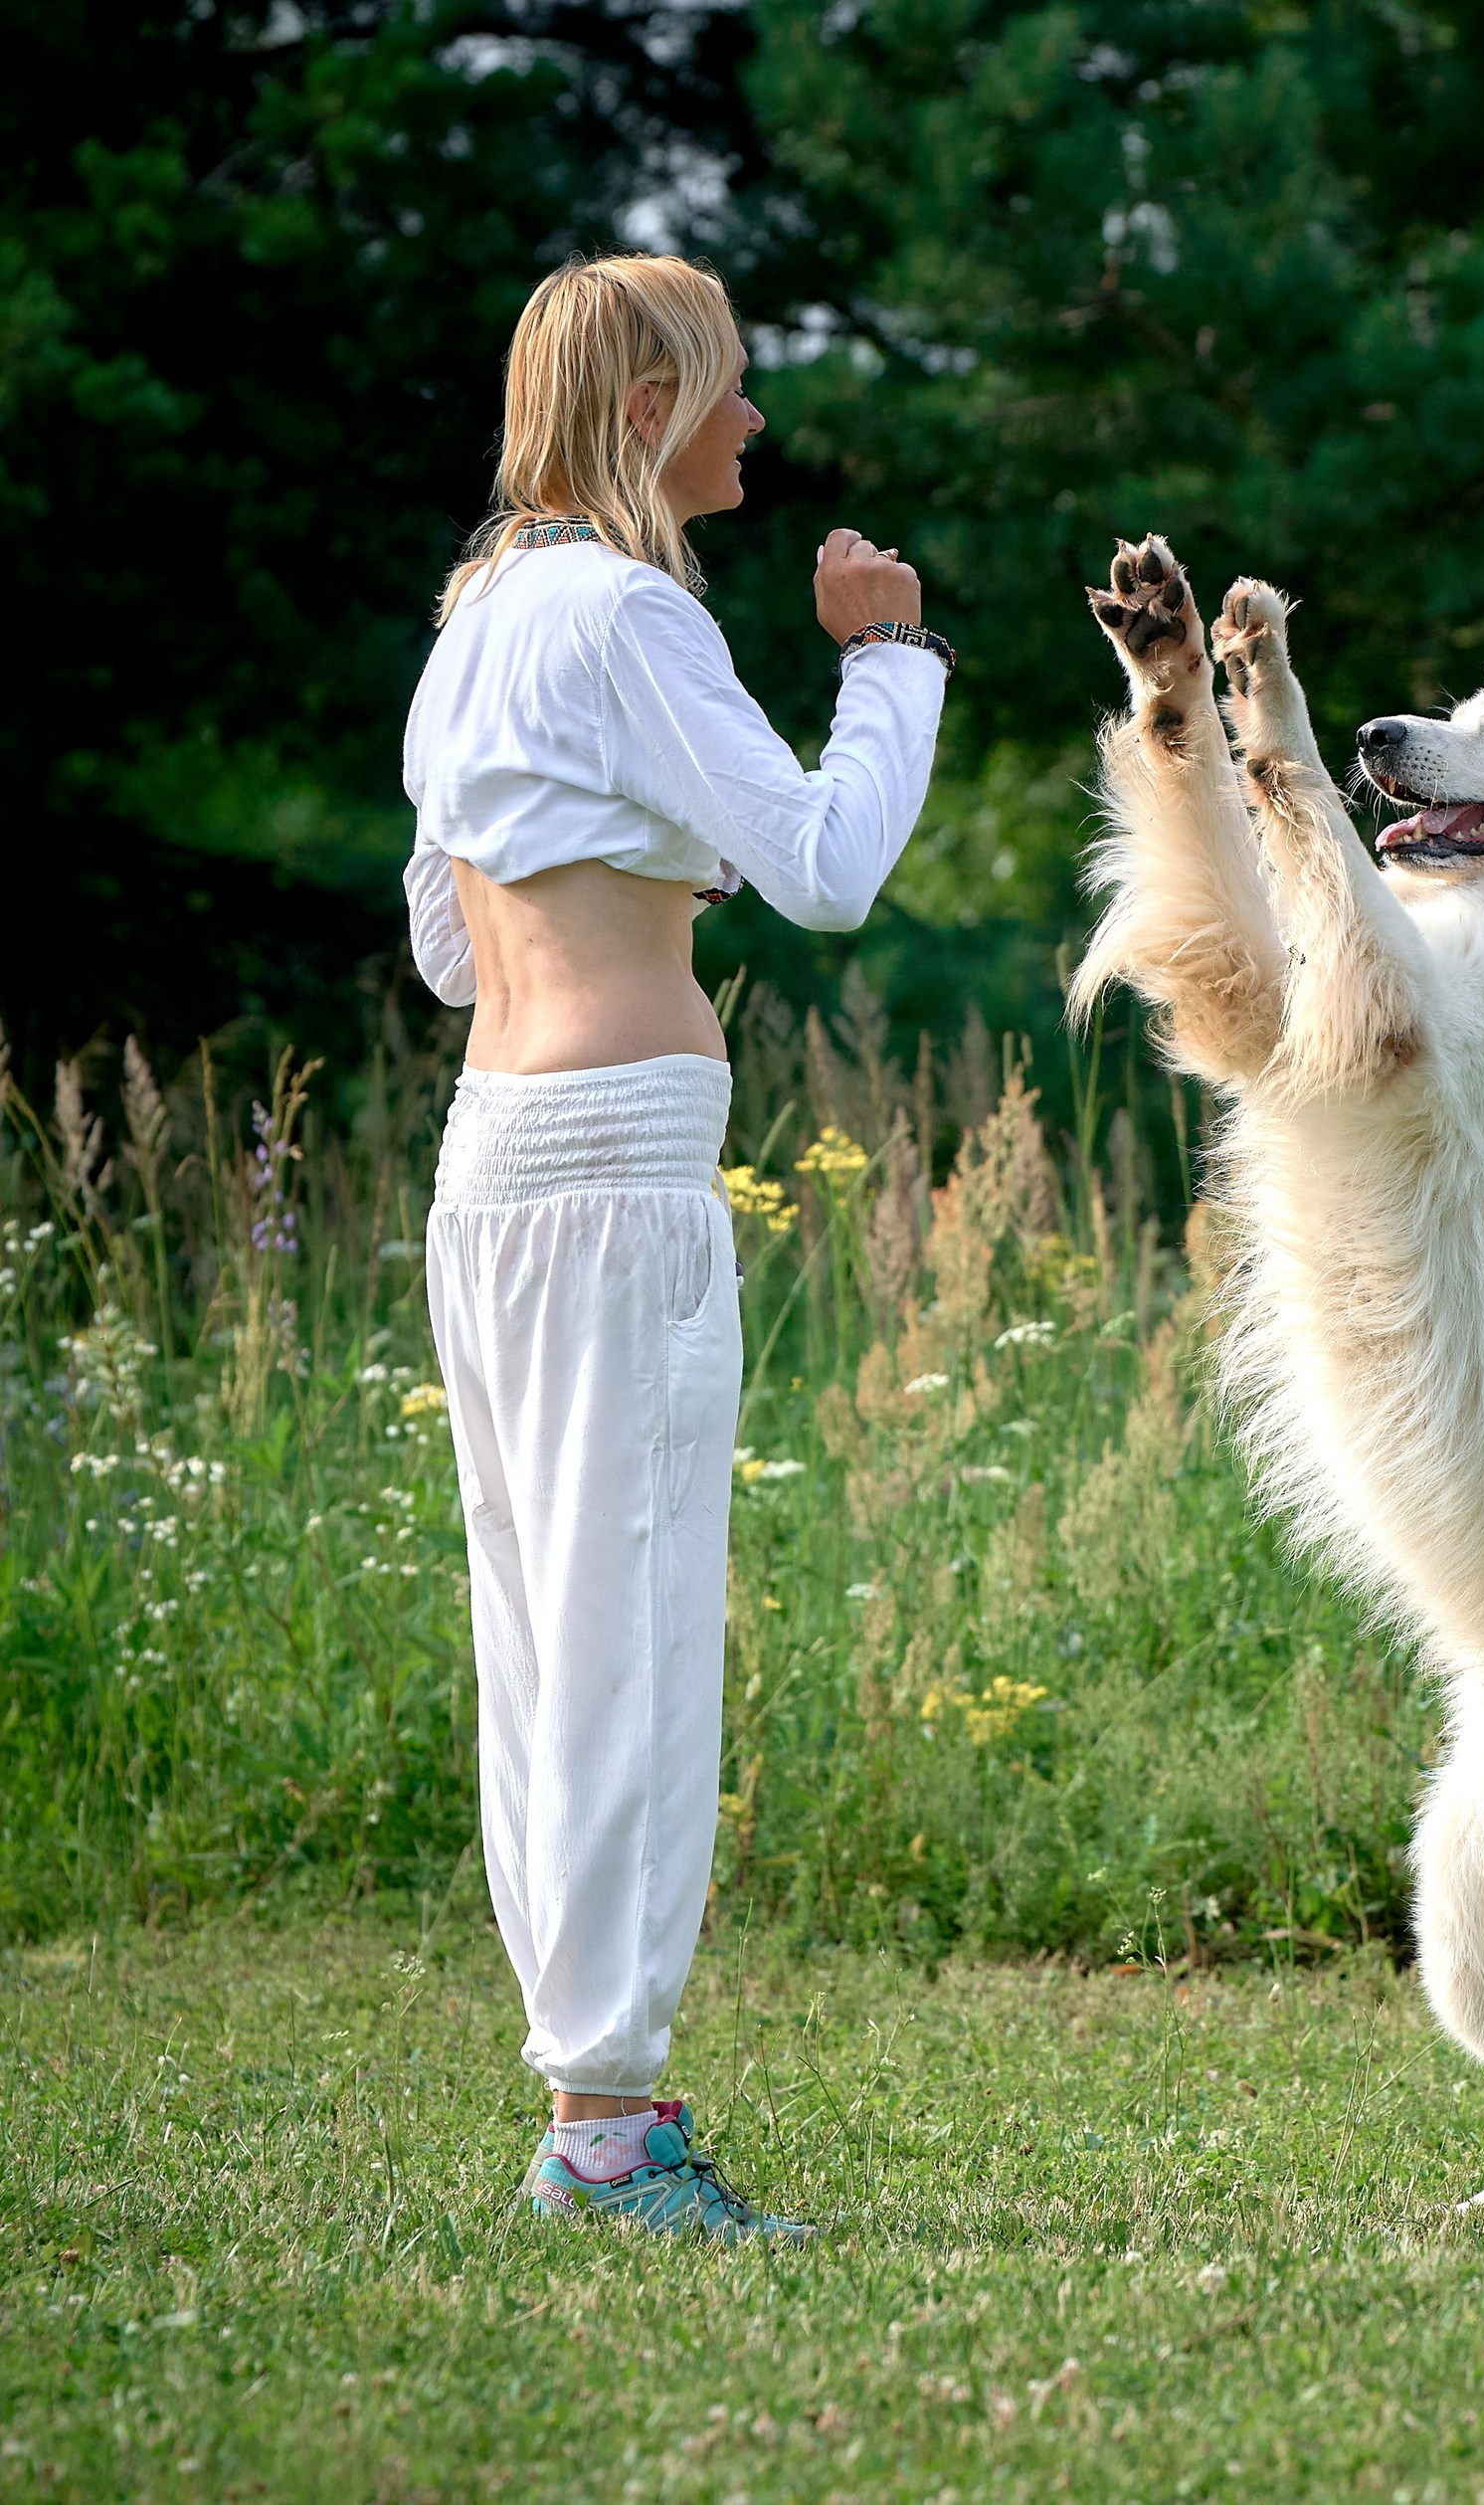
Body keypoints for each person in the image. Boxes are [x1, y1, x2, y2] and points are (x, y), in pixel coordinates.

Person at [403, 253, 947, 2238]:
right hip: (617, 1161)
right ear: (645, 408)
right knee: (624, 1632)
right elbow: (820, 868)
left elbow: (448, 938)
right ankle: (610, 2132)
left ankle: (589, 2098)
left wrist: (616, 873)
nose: (756, 428)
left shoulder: (475, 623)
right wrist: (888, 660)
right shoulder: (625, 610)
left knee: (539, 1636)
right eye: (725, 390)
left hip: (490, 1160)